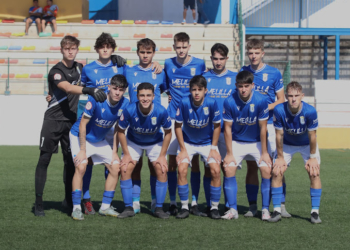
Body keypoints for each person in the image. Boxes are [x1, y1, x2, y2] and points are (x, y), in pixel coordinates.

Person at [34, 35, 107, 217]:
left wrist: (112, 59)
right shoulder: (56, 71)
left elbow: (98, 71)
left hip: (71, 123)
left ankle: (68, 200)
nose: (70, 51)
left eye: (73, 48)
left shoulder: (80, 68)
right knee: (44, 160)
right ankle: (39, 203)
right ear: (61, 50)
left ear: (77, 50)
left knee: (70, 162)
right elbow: (67, 88)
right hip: (52, 121)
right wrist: (88, 90)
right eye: (66, 48)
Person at [69, 74, 129, 220]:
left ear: (124, 91)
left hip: (99, 139)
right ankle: (76, 208)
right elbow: (83, 124)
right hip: (79, 136)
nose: (117, 92)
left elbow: (118, 129)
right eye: (114, 88)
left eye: (121, 90)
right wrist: (82, 151)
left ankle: (105, 207)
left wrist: (115, 152)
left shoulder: (125, 104)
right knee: (81, 166)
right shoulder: (97, 98)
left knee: (115, 166)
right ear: (109, 87)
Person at [240, 38, 288, 218]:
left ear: (262, 53)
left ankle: (280, 204)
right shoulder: (243, 71)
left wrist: (265, 108)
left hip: (268, 124)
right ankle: (253, 206)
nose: (253, 56)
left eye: (256, 52)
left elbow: (281, 100)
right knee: (252, 166)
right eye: (250, 53)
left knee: (275, 167)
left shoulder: (274, 73)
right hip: (250, 126)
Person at [164, 32, 206, 216]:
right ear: (174, 47)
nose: (181, 50)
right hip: (174, 117)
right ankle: (174, 201)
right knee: (173, 162)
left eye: (184, 47)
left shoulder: (199, 64)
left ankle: (194, 202)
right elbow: (165, 85)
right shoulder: (167, 63)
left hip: (193, 119)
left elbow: (203, 86)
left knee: (194, 161)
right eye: (178, 47)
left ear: (189, 47)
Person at [123, 38, 167, 214]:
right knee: (134, 166)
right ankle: (134, 202)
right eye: (142, 52)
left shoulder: (161, 72)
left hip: (154, 128)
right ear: (137, 53)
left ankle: (156, 202)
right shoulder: (128, 71)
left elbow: (165, 90)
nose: (146, 56)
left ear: (154, 53)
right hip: (134, 126)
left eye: (149, 53)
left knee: (154, 166)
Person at [222, 70, 272, 220]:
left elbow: (263, 128)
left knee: (266, 169)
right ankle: (233, 209)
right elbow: (227, 129)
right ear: (236, 85)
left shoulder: (261, 100)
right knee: (228, 168)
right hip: (238, 141)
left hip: (257, 141)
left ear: (253, 86)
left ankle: (265, 210)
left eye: (246, 86)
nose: (243, 89)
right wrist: (229, 153)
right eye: (240, 86)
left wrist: (264, 152)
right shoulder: (229, 101)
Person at [269, 81, 321, 224]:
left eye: (296, 96)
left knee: (314, 172)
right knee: (277, 171)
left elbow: (312, 136)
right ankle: (277, 210)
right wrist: (279, 157)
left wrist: (312, 157)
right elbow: (278, 135)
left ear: (302, 96)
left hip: (306, 144)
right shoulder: (279, 110)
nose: (293, 99)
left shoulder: (310, 111)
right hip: (287, 144)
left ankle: (315, 212)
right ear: (285, 96)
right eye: (290, 95)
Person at [117, 82, 172, 219]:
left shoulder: (161, 111)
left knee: (162, 168)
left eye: (148, 95)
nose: (145, 98)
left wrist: (162, 155)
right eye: (142, 95)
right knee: (125, 168)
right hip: (134, 142)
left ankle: (158, 207)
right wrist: (127, 154)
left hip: (154, 142)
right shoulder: (129, 110)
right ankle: (129, 206)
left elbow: (168, 133)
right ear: (137, 96)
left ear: (154, 96)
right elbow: (120, 131)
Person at [175, 75, 222, 219]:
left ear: (205, 91)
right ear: (190, 91)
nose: (196, 93)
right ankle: (184, 206)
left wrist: (214, 148)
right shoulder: (184, 102)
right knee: (182, 169)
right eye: (194, 90)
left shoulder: (212, 103)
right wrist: (182, 149)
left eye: (200, 90)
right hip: (188, 143)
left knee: (215, 170)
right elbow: (177, 126)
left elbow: (217, 126)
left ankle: (214, 207)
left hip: (207, 143)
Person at [202, 43, 237, 215]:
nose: (218, 62)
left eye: (221, 58)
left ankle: (230, 206)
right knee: (211, 169)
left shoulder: (235, 78)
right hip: (210, 133)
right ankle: (211, 204)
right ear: (211, 59)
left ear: (227, 59)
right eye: (215, 58)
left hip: (229, 132)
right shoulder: (204, 78)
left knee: (227, 168)